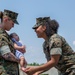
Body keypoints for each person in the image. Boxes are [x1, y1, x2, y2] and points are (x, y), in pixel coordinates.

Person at [0, 9, 20, 75]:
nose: (13, 26)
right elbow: (7, 55)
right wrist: (20, 60)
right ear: (5, 19)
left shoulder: (6, 35)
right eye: (12, 23)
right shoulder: (1, 35)